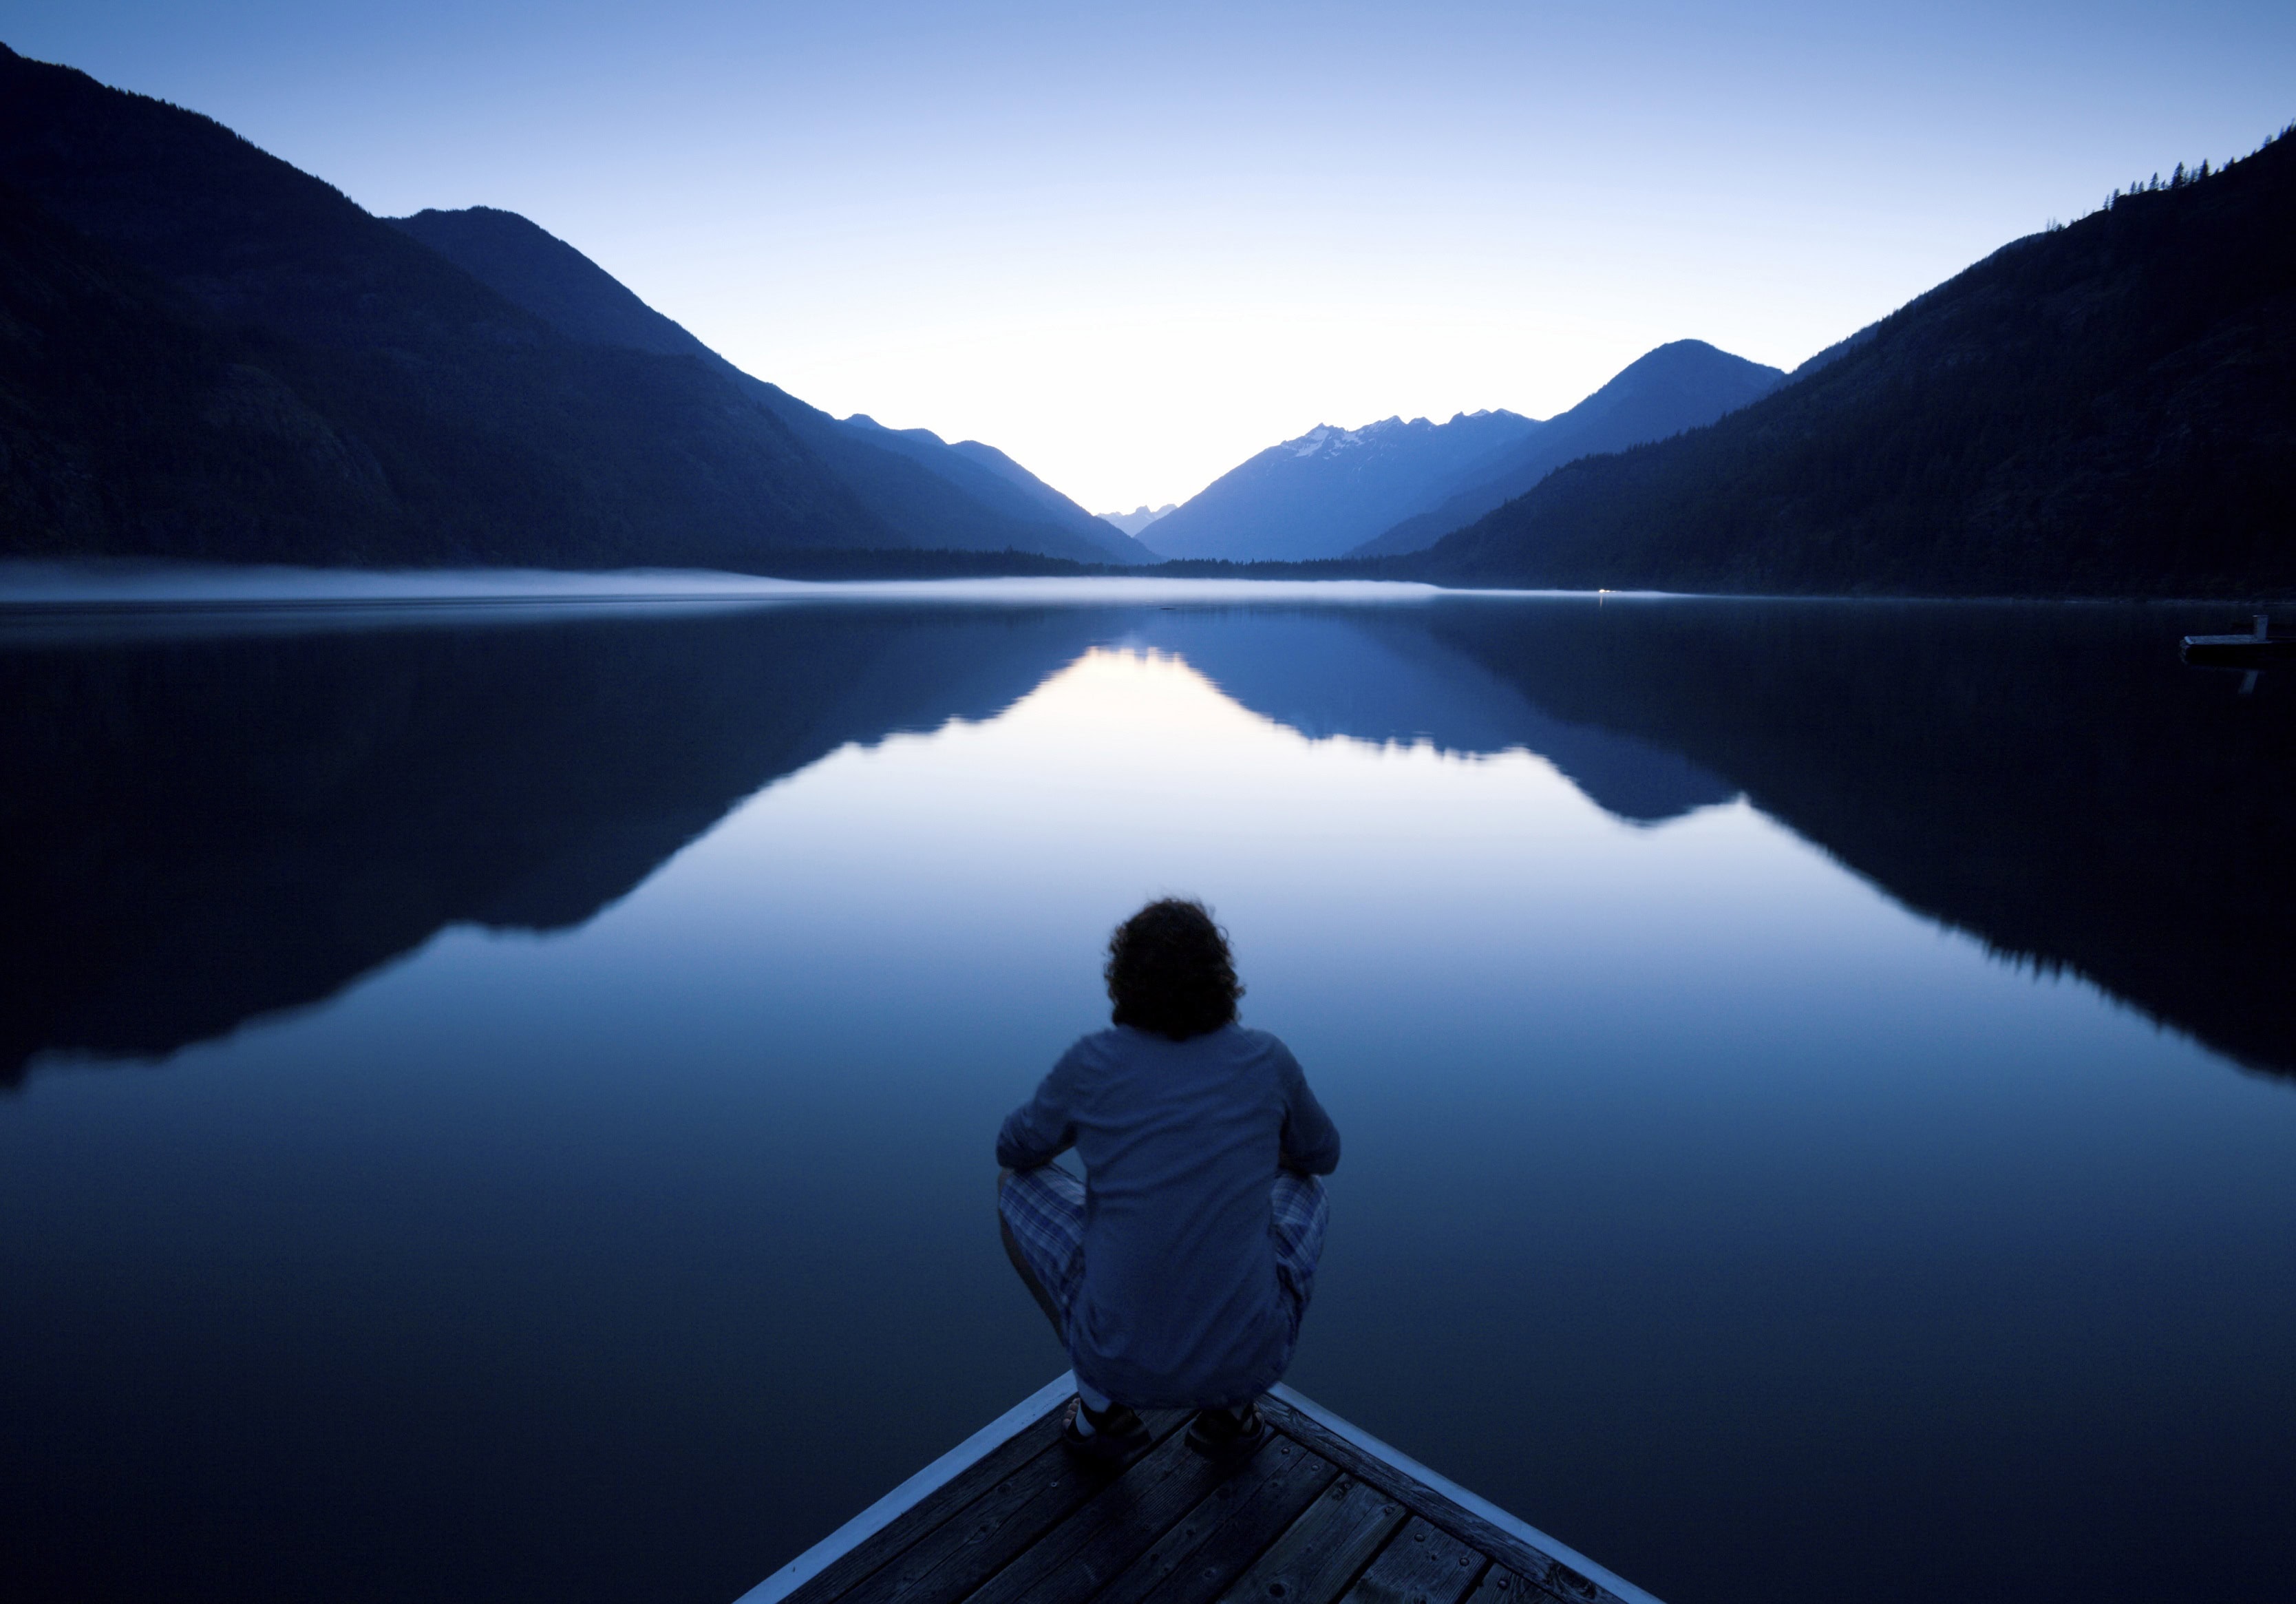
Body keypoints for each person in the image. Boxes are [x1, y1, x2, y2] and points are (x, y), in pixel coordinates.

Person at [995, 898, 1341, 1461]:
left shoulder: (1093, 1064)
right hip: (1252, 1360)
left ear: (1124, 982)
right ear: (1221, 978)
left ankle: (1098, 1410)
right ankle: (1231, 1417)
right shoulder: (1266, 1060)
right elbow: (1322, 1155)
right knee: (1307, 1185)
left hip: (1117, 1358)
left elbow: (1013, 1149)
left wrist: (1089, 1124)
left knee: (1012, 1182)